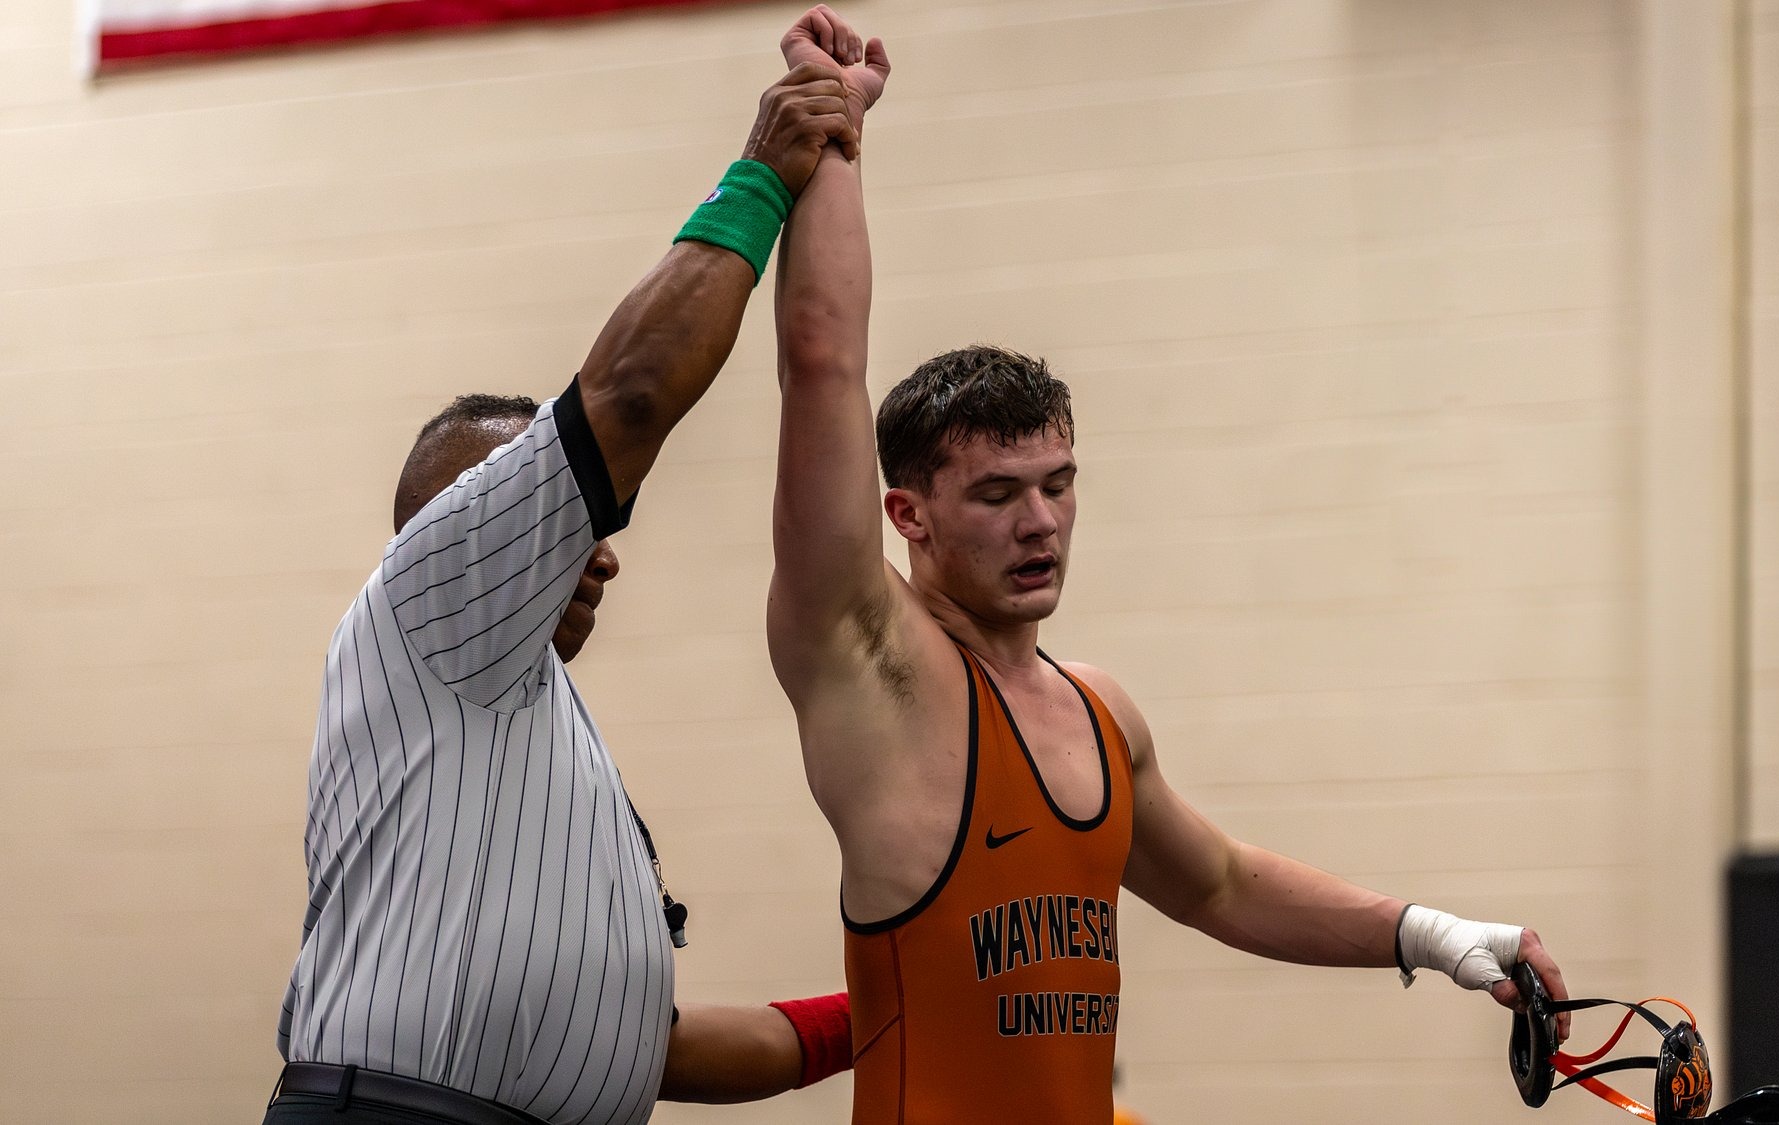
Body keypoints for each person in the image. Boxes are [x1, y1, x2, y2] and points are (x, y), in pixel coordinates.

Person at [764, 8, 1574, 1122]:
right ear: (906, 514)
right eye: (997, 495)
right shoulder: (873, 665)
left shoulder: (1099, 714)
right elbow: (821, 362)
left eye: (1058, 483)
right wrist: (835, 137)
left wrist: (1431, 935)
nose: (1041, 522)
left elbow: (1221, 885)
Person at [269, 37, 859, 1125]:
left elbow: (650, 1044)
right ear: (453, 528)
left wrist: (883, 1013)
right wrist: (765, 174)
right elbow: (632, 394)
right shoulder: (434, 592)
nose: (600, 550)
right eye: (557, 521)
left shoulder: (515, 729)